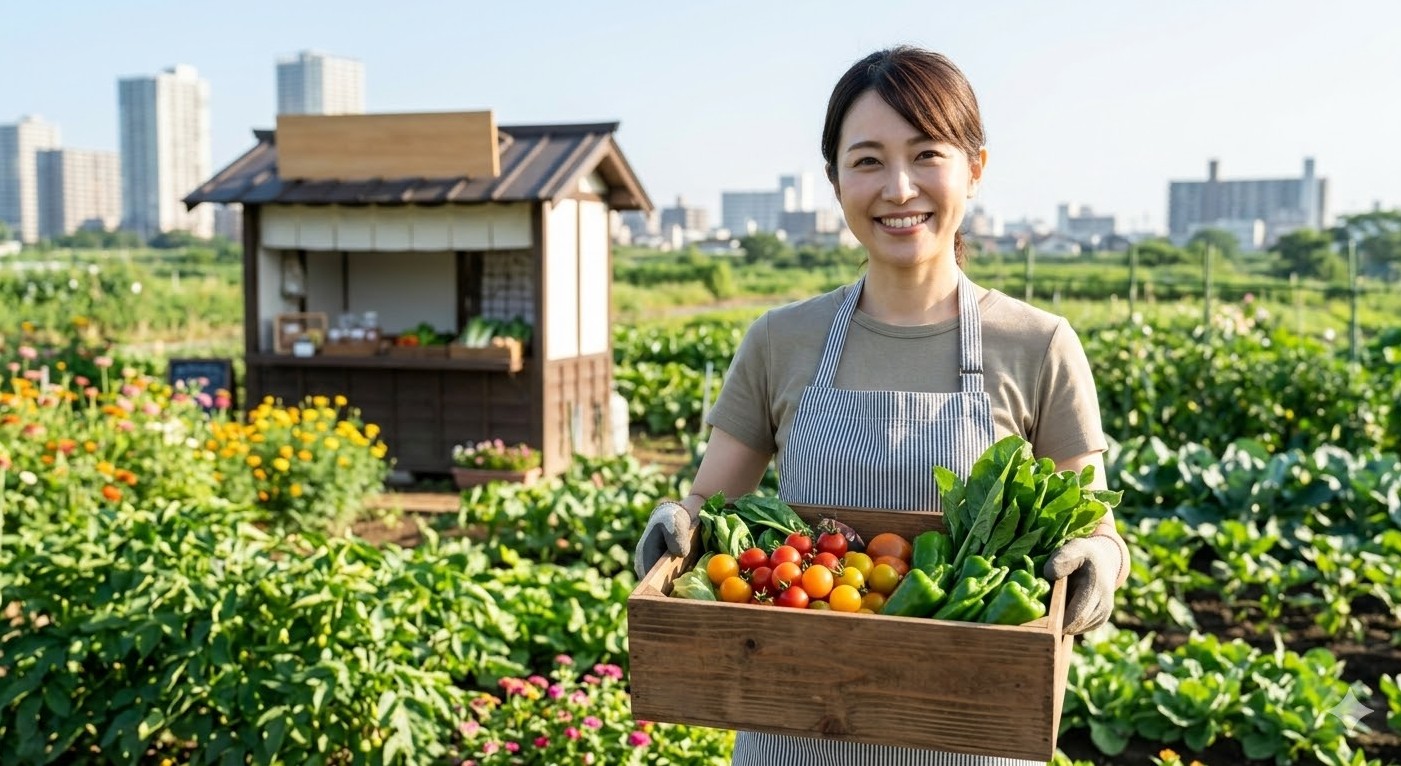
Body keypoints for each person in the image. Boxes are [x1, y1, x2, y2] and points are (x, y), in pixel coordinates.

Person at [634, 45, 1130, 766]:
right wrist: (675, 524)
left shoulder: (1038, 344)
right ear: (835, 180)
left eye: (926, 154)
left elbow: (1096, 524)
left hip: (972, 732)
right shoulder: (780, 339)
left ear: (974, 168)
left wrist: (1099, 560)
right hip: (792, 733)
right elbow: (710, 502)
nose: (899, 189)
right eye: (867, 161)